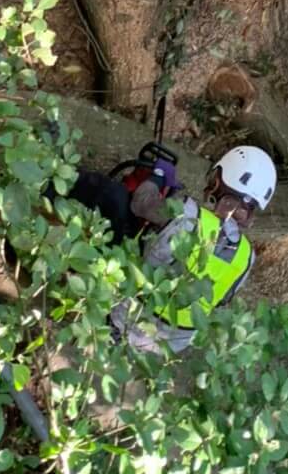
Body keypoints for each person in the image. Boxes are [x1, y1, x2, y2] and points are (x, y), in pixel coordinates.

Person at [110, 145, 277, 355]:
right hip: (169, 345)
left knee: (112, 200)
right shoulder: (246, 257)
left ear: (218, 182)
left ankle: (110, 325)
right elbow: (222, 299)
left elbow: (141, 204)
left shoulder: (187, 213)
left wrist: (158, 177)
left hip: (128, 313)